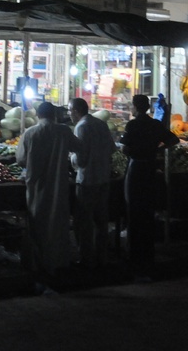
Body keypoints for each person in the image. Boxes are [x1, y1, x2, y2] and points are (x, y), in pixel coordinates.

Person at [15, 101, 84, 293]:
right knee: (57, 226)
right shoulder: (63, 131)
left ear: (38, 115)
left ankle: (40, 269)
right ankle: (58, 265)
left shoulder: (30, 133)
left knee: (38, 226)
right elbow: (79, 147)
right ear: (54, 115)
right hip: (58, 186)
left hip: (37, 187)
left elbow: (20, 160)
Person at [120, 93, 180, 282]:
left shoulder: (133, 125)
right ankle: (148, 255)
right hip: (150, 169)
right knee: (147, 211)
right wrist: (157, 149)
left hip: (136, 169)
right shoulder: (155, 124)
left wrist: (134, 150)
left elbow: (124, 148)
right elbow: (174, 140)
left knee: (134, 211)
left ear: (135, 107)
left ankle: (135, 256)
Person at [69, 97, 115, 270]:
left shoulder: (81, 127)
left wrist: (71, 157)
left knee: (84, 222)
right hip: (104, 178)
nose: (69, 114)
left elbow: (81, 159)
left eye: (69, 110)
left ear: (75, 111)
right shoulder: (101, 124)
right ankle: (102, 258)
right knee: (101, 222)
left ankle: (86, 259)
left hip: (87, 180)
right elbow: (112, 149)